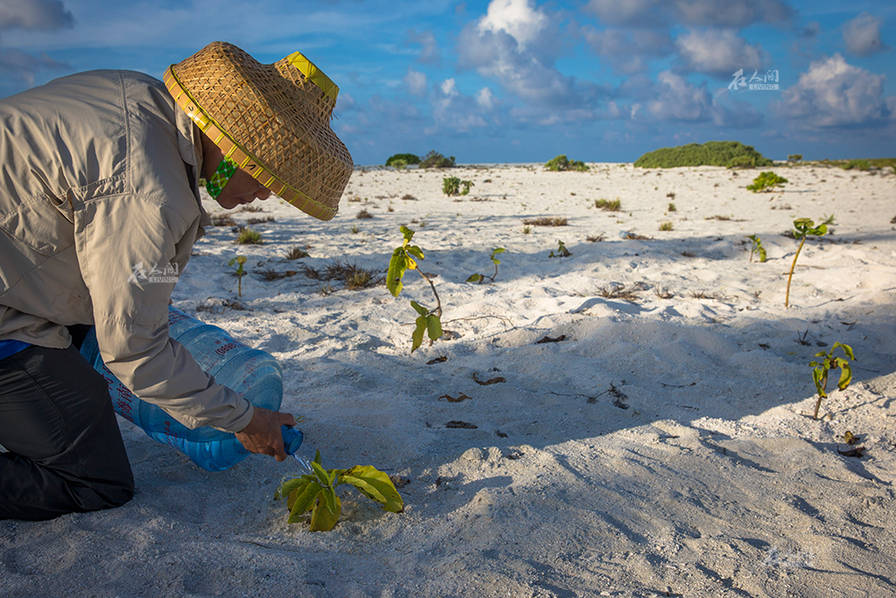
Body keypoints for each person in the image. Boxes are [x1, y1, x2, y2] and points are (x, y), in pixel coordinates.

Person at [0, 42, 353, 520]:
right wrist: (246, 420)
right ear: (230, 143)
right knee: (95, 481)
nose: (266, 191)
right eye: (265, 170)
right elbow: (135, 351)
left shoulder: (141, 98)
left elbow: (128, 274)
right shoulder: (151, 192)